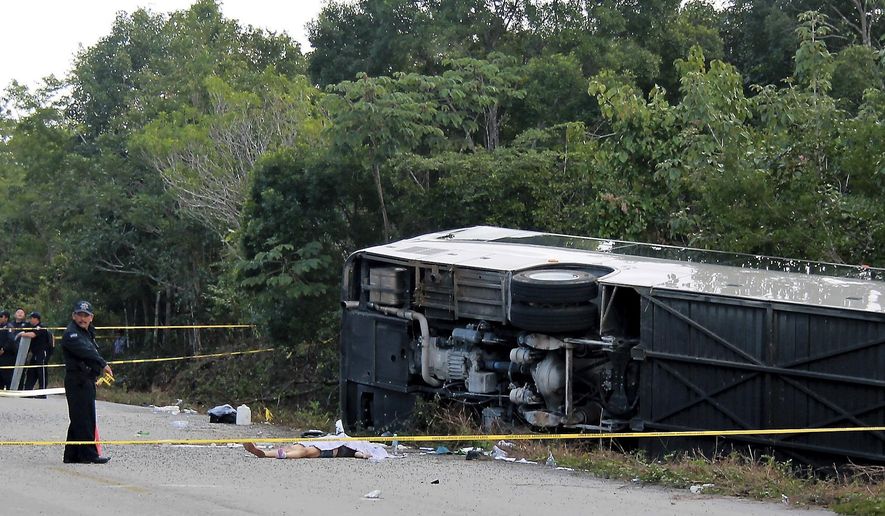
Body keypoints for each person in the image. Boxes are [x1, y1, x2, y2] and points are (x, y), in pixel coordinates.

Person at [61, 300, 112, 464]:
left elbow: (91, 350)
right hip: (77, 380)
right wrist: (103, 364)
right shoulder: (72, 334)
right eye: (79, 315)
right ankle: (89, 455)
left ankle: (72, 454)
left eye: (86, 315)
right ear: (73, 316)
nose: (82, 318)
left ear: (91, 317)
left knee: (80, 417)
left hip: (86, 379)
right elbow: (87, 351)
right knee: (84, 418)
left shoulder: (87, 332)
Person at [242, 438, 388, 460]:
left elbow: (357, 454)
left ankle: (267, 453)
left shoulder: (353, 449)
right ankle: (265, 453)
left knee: (301, 450)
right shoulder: (350, 443)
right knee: (297, 448)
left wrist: (364, 455)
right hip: (325, 446)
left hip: (326, 449)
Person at [20, 311, 54, 394]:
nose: (30, 320)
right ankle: (28, 390)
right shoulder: (32, 327)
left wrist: (22, 334)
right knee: (31, 371)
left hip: (42, 352)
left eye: (31, 318)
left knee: (41, 371)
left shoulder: (41, 327)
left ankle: (42, 391)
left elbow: (33, 335)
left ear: (36, 319)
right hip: (35, 353)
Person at [0, 310, 15, 389]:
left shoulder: (9, 326)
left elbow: (11, 340)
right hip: (1, 355)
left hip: (7, 354)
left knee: (6, 374)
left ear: (6, 318)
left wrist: (4, 349)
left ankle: (9, 390)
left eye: (1, 317)